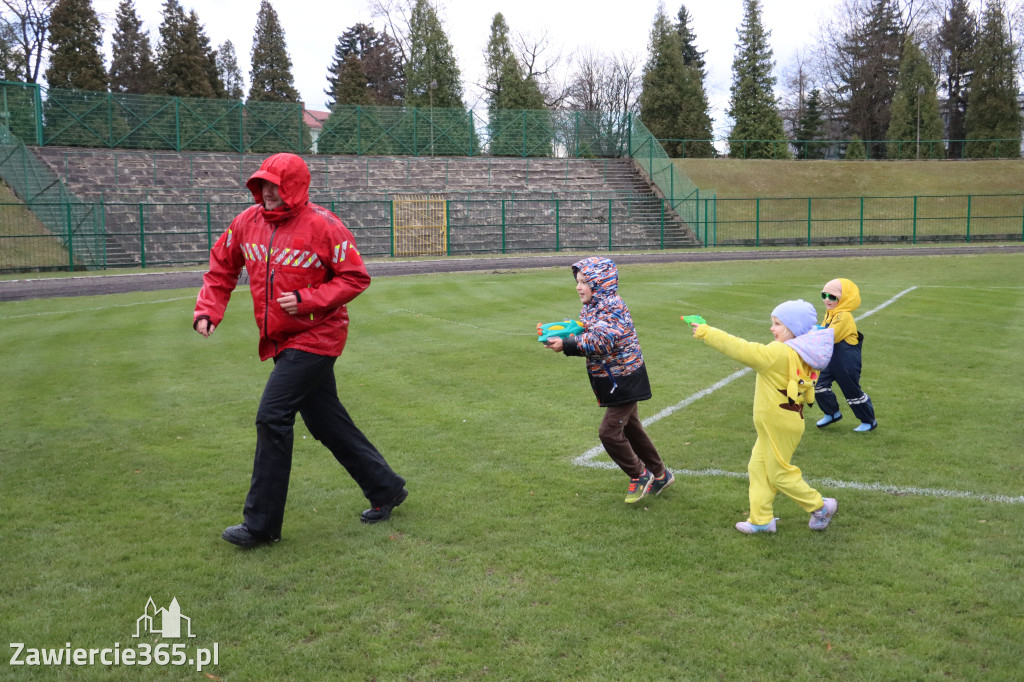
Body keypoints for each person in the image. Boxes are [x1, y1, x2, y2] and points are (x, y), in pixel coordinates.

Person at [193, 152, 407, 548]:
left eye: (276, 185)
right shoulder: (246, 223)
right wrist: (208, 309)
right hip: (280, 338)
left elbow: (356, 278)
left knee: (272, 417)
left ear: (294, 186)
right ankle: (386, 488)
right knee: (326, 422)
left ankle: (261, 526)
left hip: (317, 337)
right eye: (263, 184)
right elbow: (222, 265)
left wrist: (307, 299)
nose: (268, 192)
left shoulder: (324, 226)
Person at [689, 300, 838, 534]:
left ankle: (820, 506)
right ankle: (761, 520)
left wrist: (707, 332)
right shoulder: (801, 350)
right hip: (779, 424)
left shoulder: (780, 352)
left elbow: (741, 349)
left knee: (778, 474)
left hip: (780, 424)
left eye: (777, 324)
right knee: (758, 468)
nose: (772, 328)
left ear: (793, 328)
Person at [544, 257, 673, 504]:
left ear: (600, 283)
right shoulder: (593, 305)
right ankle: (661, 474)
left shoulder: (611, 306)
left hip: (624, 378)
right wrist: (566, 332)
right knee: (632, 429)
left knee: (609, 433)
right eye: (578, 281)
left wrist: (568, 344)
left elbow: (602, 341)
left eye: (584, 282)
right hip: (614, 378)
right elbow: (591, 331)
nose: (578, 287)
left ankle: (640, 474)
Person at [814, 278, 878, 432]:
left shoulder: (843, 316)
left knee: (852, 392)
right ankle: (832, 413)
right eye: (824, 296)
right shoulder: (831, 313)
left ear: (843, 299)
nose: (827, 300)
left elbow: (830, 335)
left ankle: (869, 421)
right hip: (831, 360)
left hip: (847, 361)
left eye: (832, 297)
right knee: (818, 384)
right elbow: (823, 330)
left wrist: (810, 332)